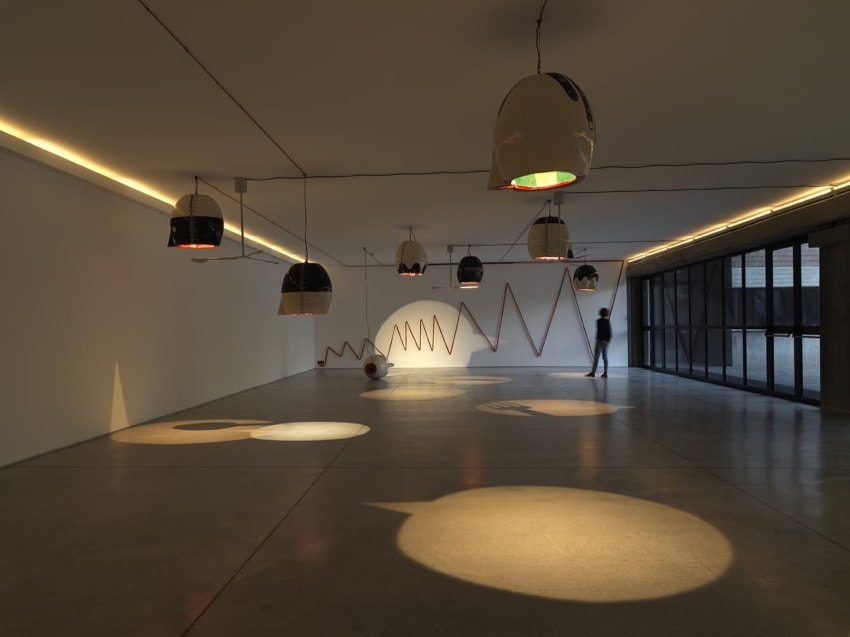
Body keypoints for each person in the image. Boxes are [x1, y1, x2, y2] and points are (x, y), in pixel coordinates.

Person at [586, 308, 611, 378]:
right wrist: (607, 340)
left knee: (597, 357)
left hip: (600, 341)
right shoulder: (607, 321)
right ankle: (605, 373)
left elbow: (600, 331)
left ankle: (593, 372)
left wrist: (601, 339)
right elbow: (609, 332)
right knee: (605, 357)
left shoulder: (599, 321)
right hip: (605, 342)